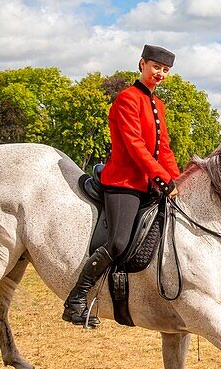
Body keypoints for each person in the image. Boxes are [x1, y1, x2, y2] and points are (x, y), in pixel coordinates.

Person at [63, 44, 181, 327]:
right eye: (156, 67)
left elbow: (162, 147)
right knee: (117, 243)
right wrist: (162, 179)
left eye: (165, 70)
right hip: (123, 181)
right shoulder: (127, 99)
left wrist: (177, 178)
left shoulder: (158, 105)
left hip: (148, 182)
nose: (161, 74)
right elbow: (135, 147)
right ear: (142, 64)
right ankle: (76, 298)